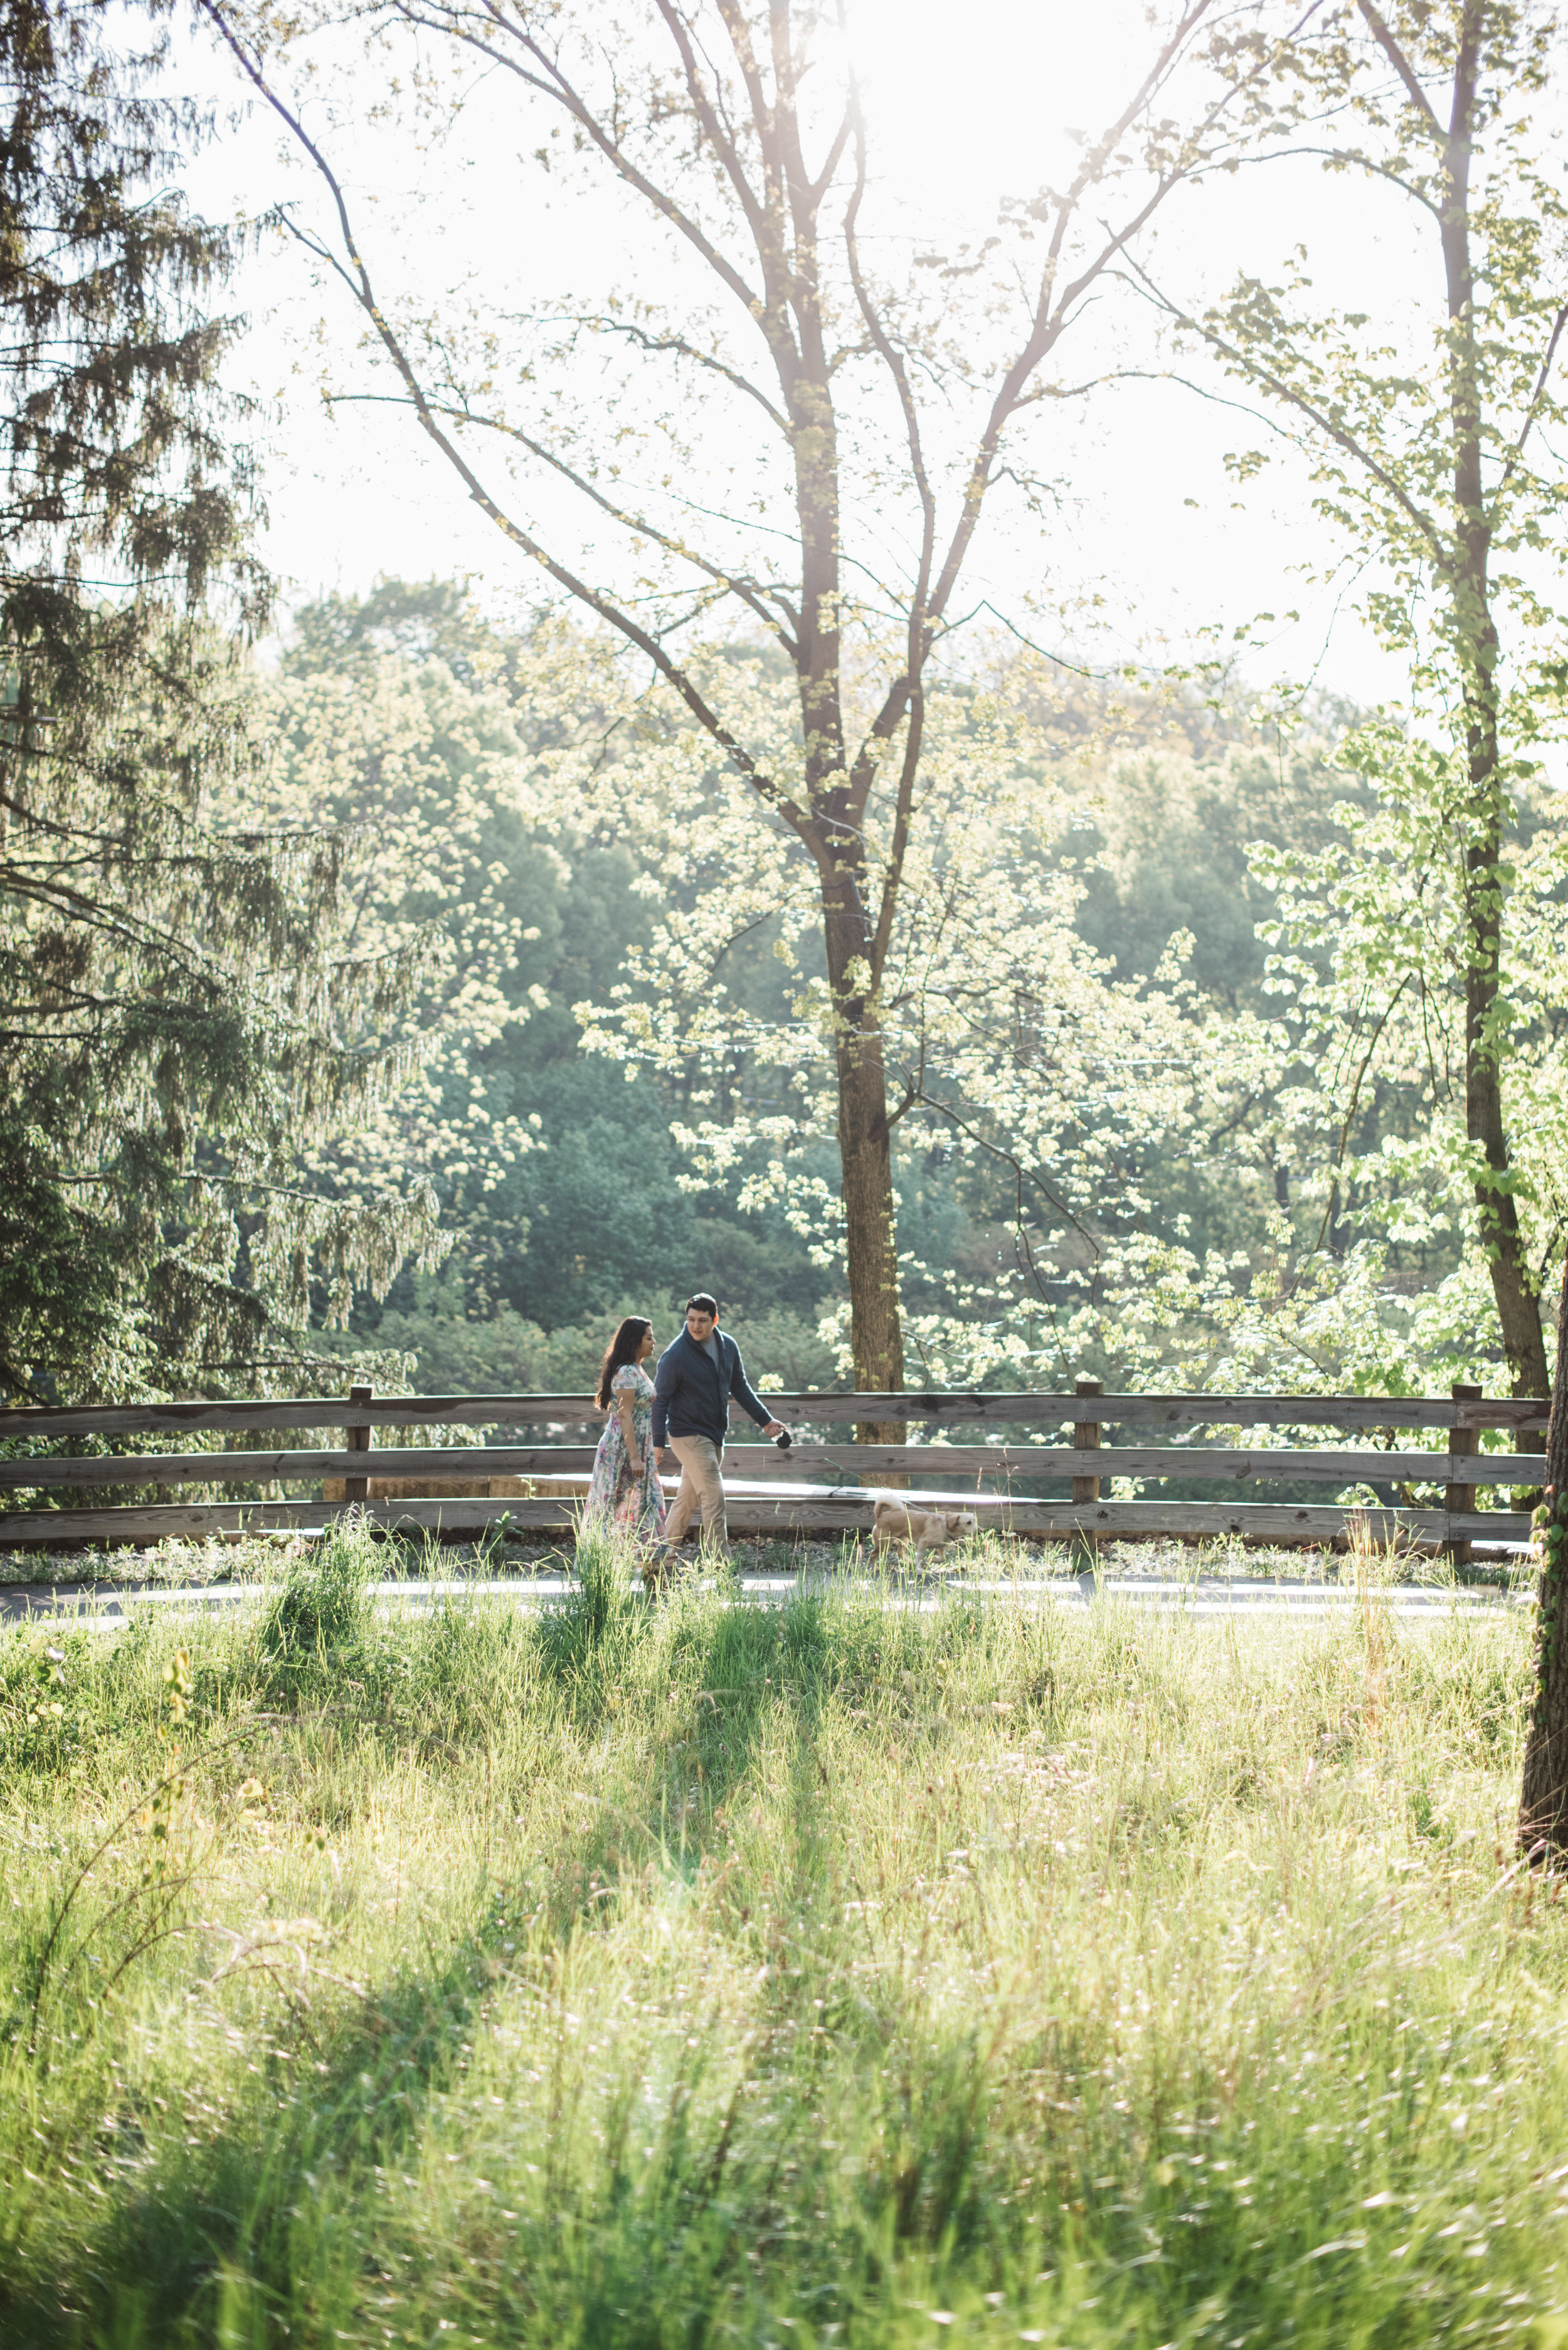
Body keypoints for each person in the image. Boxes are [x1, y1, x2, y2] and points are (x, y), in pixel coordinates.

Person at [650, 1292, 785, 1560]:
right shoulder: (675, 1355)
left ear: (715, 1320)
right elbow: (659, 1400)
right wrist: (657, 1443)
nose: (695, 1326)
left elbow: (740, 1387)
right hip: (687, 1434)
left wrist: (765, 1420)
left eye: (702, 1320)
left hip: (714, 1435)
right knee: (715, 1499)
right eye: (690, 1320)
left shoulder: (728, 1346)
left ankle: (659, 1560)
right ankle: (721, 1568)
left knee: (686, 1501)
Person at [583, 1316, 667, 1554]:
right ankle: (601, 1563)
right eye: (649, 1338)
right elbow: (625, 1415)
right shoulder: (627, 1372)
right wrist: (634, 1457)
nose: (654, 1342)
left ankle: (653, 1563)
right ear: (634, 1341)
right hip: (621, 1449)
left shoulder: (637, 1369)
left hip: (640, 1447)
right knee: (610, 1504)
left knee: (646, 1501)